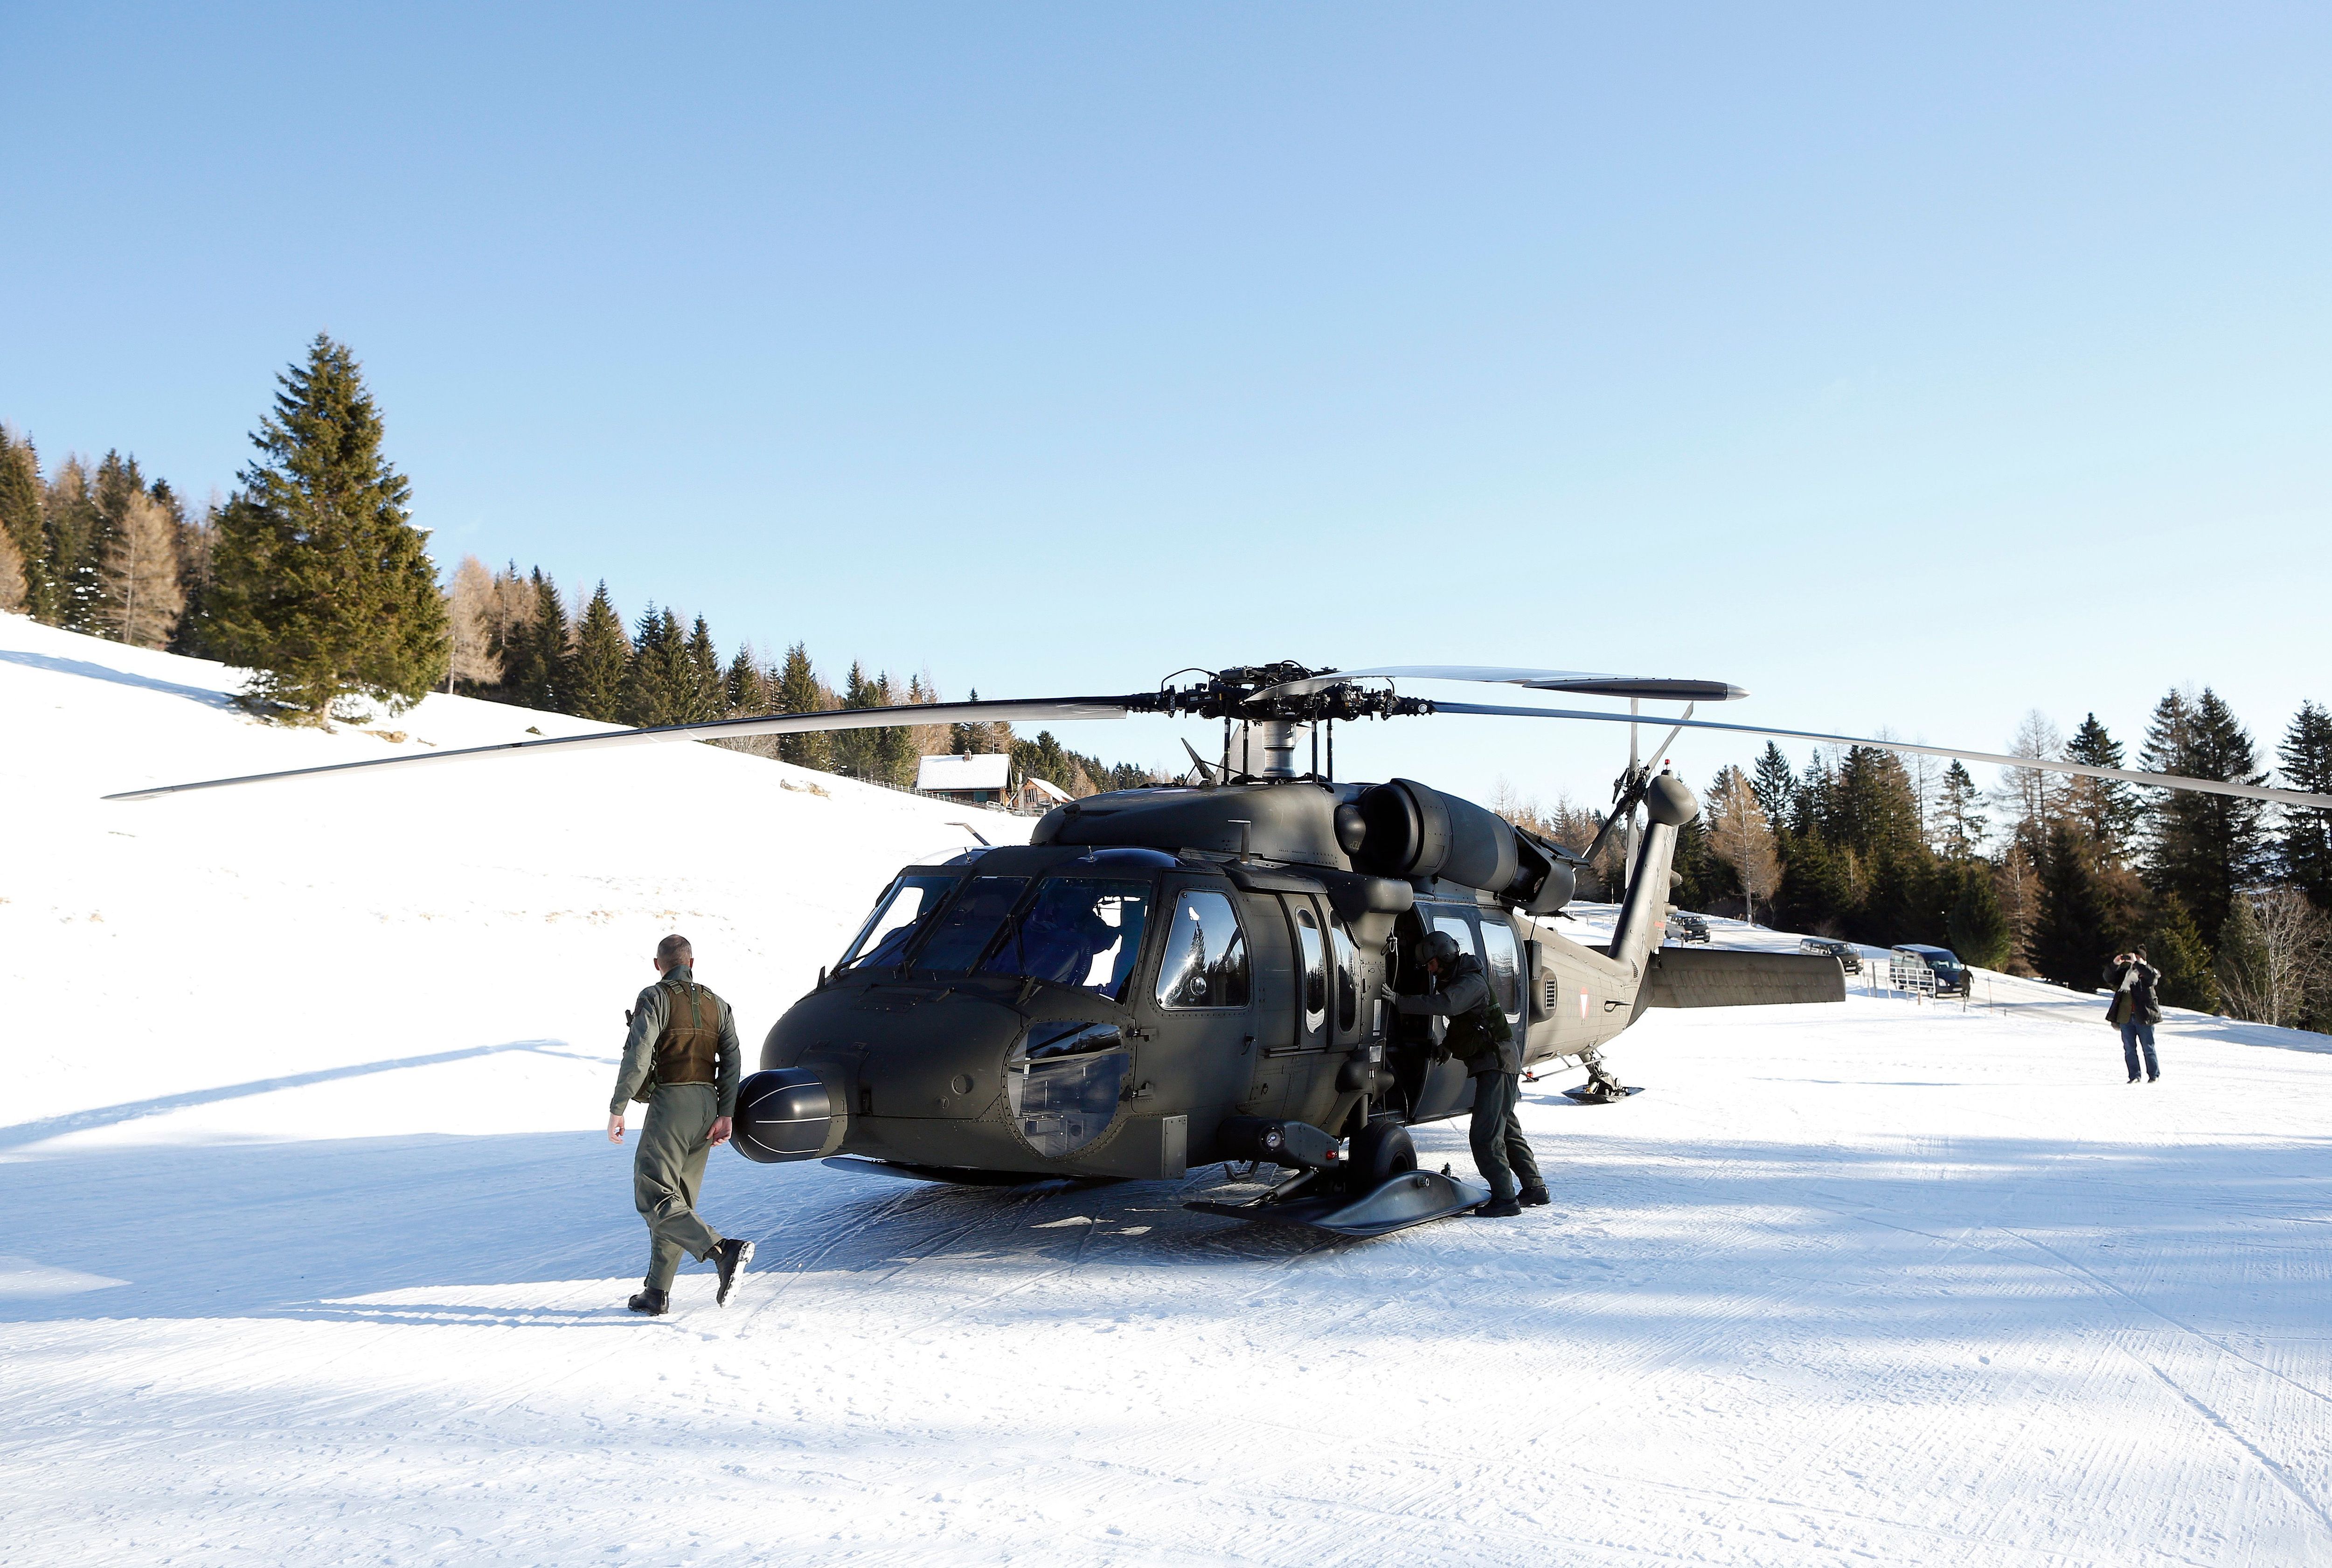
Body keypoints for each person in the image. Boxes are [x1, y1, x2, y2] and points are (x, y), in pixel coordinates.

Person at [609, 934, 753, 1314]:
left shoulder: (655, 997)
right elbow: (733, 1061)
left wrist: (619, 1105)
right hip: (708, 1106)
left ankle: (722, 1250)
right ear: (692, 963)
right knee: (679, 1203)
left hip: (672, 1102)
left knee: (653, 1193)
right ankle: (657, 1292)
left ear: (659, 965)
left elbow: (639, 1055)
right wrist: (726, 1113)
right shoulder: (718, 1004)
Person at [1385, 930, 1548, 1218]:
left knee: (1485, 1137)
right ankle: (1535, 1188)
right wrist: (1447, 1047)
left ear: (1445, 957)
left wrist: (1400, 1000)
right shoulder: (1462, 980)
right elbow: (1467, 1024)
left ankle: (1505, 1200)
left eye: (1432, 963)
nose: (1430, 970)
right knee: (1506, 1130)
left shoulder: (1469, 983)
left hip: (1497, 1065)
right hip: (1498, 1065)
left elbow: (1447, 1005)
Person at [2103, 946, 2163, 1083]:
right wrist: (2115, 964)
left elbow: (2153, 978)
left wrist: (2139, 964)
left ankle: (2154, 1075)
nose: (2134, 960)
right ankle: (2135, 1076)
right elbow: (2108, 978)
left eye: (2138, 958)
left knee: (2148, 1047)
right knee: (2130, 1049)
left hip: (2144, 1017)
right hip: (2125, 1017)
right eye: (2133, 958)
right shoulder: (2126, 973)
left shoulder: (2149, 972)